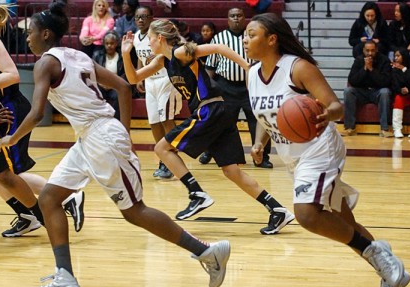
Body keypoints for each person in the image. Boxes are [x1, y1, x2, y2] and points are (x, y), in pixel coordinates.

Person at [0, 2, 230, 287]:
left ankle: (207, 252)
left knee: (134, 212)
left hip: (101, 136)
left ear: (45, 33)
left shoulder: (46, 63)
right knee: (49, 199)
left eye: (30, 33)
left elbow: (36, 112)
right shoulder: (76, 55)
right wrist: (125, 132)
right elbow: (122, 86)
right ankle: (65, 277)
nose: (27, 39)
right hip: (91, 136)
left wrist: (12, 138)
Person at [243, 12, 410, 287]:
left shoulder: (298, 68)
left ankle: (380, 257)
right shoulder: (252, 74)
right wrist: (259, 142)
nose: (245, 39)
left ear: (271, 39)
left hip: (319, 147)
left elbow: (336, 105)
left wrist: (326, 114)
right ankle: (389, 271)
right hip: (294, 157)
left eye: (251, 34)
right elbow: (269, 117)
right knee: (346, 223)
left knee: (306, 214)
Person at [121, 19, 295, 234]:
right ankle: (277, 210)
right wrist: (125, 53)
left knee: (162, 148)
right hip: (218, 112)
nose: (147, 44)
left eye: (149, 39)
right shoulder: (162, 61)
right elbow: (133, 78)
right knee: (232, 171)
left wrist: (247, 67)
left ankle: (196, 193)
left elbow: (218, 47)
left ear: (160, 38)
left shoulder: (180, 52)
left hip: (209, 109)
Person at [0, 0, 84, 237]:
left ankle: (67, 196)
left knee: (8, 173)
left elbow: (12, 75)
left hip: (9, 108)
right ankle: (27, 215)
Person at [201, 7, 273, 169]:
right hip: (226, 86)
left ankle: (262, 156)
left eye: (239, 15)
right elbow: (210, 67)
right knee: (222, 123)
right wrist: (206, 90)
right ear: (227, 20)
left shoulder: (254, 38)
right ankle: (218, 153)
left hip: (252, 86)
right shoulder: (219, 38)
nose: (236, 18)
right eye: (232, 16)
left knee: (258, 120)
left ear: (244, 18)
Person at [133, 5, 181, 179]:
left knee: (167, 120)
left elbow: (174, 49)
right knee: (153, 122)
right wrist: (139, 76)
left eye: (144, 16)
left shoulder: (159, 34)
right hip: (150, 81)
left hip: (165, 79)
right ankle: (163, 159)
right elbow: (140, 57)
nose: (140, 20)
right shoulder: (136, 37)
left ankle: (173, 158)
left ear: (151, 17)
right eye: (137, 17)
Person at [342, 41, 393, 137]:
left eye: (372, 51)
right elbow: (352, 80)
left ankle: (384, 129)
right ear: (363, 50)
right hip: (362, 92)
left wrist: (372, 70)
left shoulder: (384, 60)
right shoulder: (359, 60)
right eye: (367, 51)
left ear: (376, 50)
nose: (370, 53)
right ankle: (349, 128)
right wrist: (365, 68)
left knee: (385, 92)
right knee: (348, 91)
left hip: (377, 92)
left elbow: (386, 82)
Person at [92, 30, 125, 119]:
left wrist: (114, 84)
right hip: (101, 84)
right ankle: (97, 118)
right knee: (94, 92)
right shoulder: (97, 55)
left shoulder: (122, 56)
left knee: (119, 94)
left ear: (116, 43)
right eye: (107, 43)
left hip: (116, 85)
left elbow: (124, 74)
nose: (109, 46)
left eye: (112, 43)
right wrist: (99, 83)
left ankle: (115, 119)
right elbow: (92, 71)